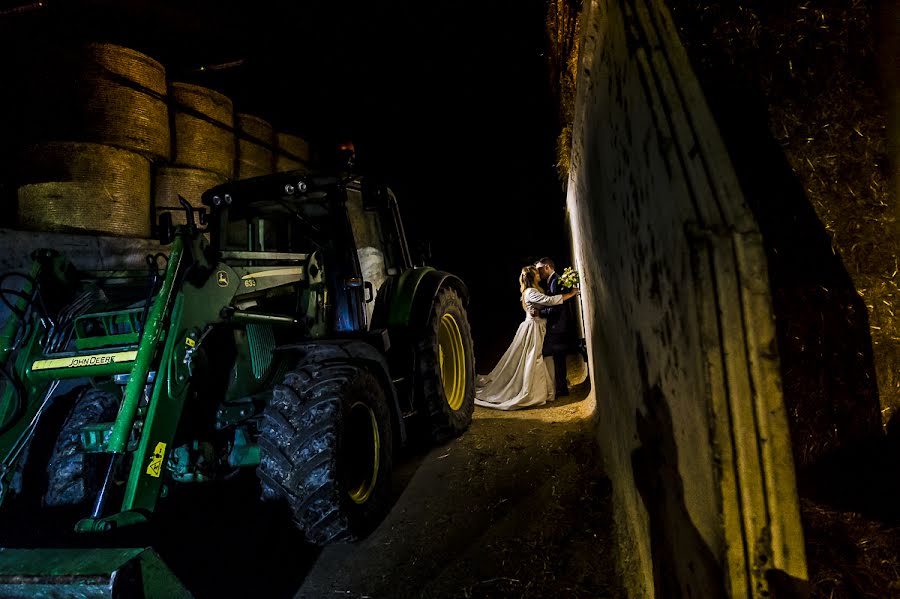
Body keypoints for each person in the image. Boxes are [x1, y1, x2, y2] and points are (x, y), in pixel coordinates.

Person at [475, 265, 581, 410]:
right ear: (533, 277)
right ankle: (534, 392)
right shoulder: (531, 292)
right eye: (537, 273)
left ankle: (547, 389)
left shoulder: (532, 290)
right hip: (534, 328)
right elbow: (548, 301)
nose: (539, 275)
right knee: (534, 358)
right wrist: (570, 294)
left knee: (538, 358)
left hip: (538, 326)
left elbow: (544, 302)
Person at [535, 257, 579, 397]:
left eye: (540, 269)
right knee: (557, 357)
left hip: (558, 326)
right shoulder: (553, 281)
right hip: (558, 325)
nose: (539, 273)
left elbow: (557, 308)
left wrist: (540, 312)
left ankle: (560, 388)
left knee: (556, 356)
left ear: (548, 267)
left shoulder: (555, 282)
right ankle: (560, 386)